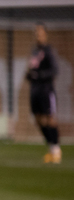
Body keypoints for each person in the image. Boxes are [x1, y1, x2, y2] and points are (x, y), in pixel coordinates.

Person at [26, 22, 62, 164]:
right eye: (36, 32)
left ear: (45, 34)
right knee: (38, 120)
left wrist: (40, 76)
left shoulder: (48, 51)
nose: (38, 35)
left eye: (40, 32)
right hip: (35, 90)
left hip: (46, 90)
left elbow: (54, 71)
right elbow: (32, 69)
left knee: (50, 118)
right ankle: (51, 148)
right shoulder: (34, 51)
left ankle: (56, 149)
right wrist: (29, 75)